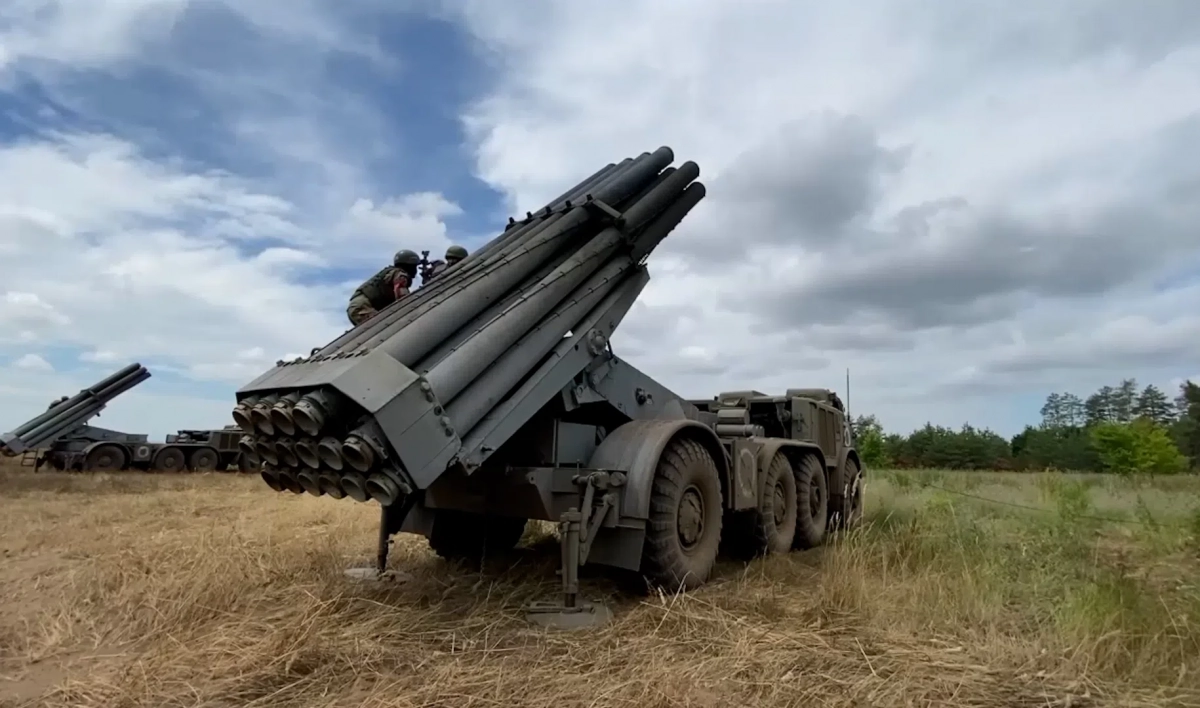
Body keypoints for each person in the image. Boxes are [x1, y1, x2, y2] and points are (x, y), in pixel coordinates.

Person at [346, 249, 421, 326]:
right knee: (385, 326)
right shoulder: (399, 274)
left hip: (357, 306)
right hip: (363, 306)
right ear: (410, 266)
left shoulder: (390, 271)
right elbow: (402, 296)